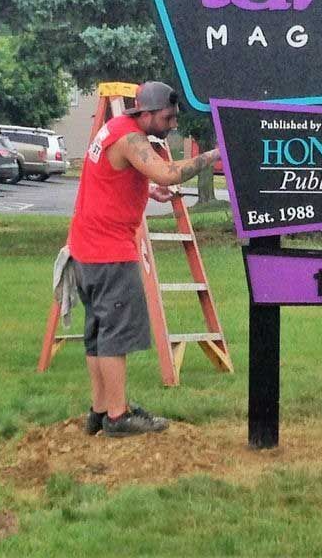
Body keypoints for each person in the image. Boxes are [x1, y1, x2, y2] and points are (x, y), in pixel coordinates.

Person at [67, 81, 220, 437]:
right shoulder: (130, 137)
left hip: (85, 247)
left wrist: (147, 189)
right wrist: (213, 156)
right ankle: (119, 417)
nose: (172, 125)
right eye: (167, 118)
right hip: (109, 251)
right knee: (115, 334)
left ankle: (100, 410)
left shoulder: (114, 129)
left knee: (98, 331)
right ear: (146, 113)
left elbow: (111, 172)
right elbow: (168, 171)